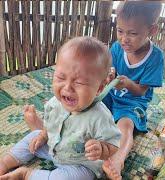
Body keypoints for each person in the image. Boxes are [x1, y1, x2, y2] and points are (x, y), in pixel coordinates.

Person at [0, 37, 121, 180]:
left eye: (79, 82)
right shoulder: (54, 103)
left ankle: (27, 174)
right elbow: (49, 123)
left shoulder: (100, 116)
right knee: (32, 137)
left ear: (100, 88)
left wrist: (101, 149)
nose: (67, 87)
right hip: (52, 148)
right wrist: (43, 136)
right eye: (61, 77)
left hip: (80, 164)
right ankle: (5, 162)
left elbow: (113, 144)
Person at [101, 1, 164, 179]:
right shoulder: (116, 48)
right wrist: (109, 75)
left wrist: (128, 83)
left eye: (133, 33)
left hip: (132, 102)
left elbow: (140, 92)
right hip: (110, 96)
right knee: (89, 104)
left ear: (151, 31)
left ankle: (117, 160)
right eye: (120, 31)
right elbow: (107, 72)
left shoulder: (156, 57)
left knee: (125, 125)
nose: (124, 39)